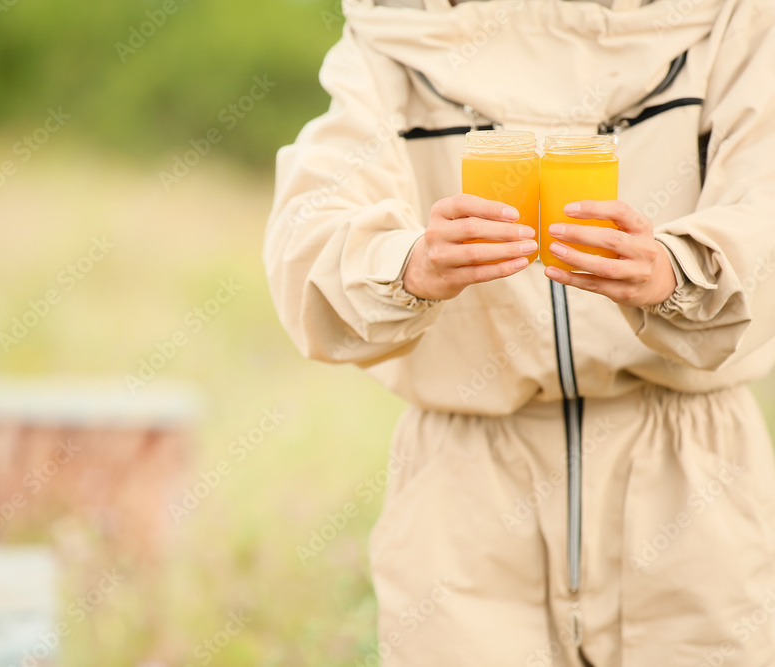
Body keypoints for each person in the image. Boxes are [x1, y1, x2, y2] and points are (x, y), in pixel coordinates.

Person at [263, 0, 775, 664]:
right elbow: (308, 229)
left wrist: (679, 270)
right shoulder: (395, 32)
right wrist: (407, 262)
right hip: (463, 498)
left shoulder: (735, 16)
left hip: (694, 490)